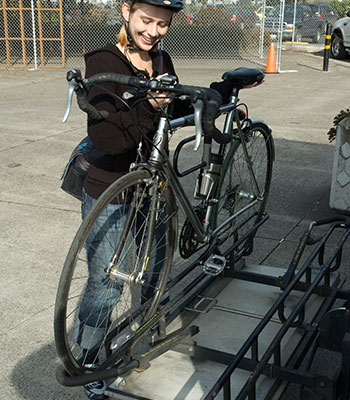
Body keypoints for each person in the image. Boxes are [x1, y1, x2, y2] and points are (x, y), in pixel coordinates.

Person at [74, 1, 264, 397]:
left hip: (154, 186)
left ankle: (145, 329)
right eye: (146, 20)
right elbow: (109, 138)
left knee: (156, 268)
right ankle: (88, 360)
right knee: (105, 283)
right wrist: (150, 105)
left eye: (162, 24)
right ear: (126, 11)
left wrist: (211, 94)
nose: (154, 31)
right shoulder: (103, 62)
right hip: (111, 186)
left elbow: (174, 106)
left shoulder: (161, 58)